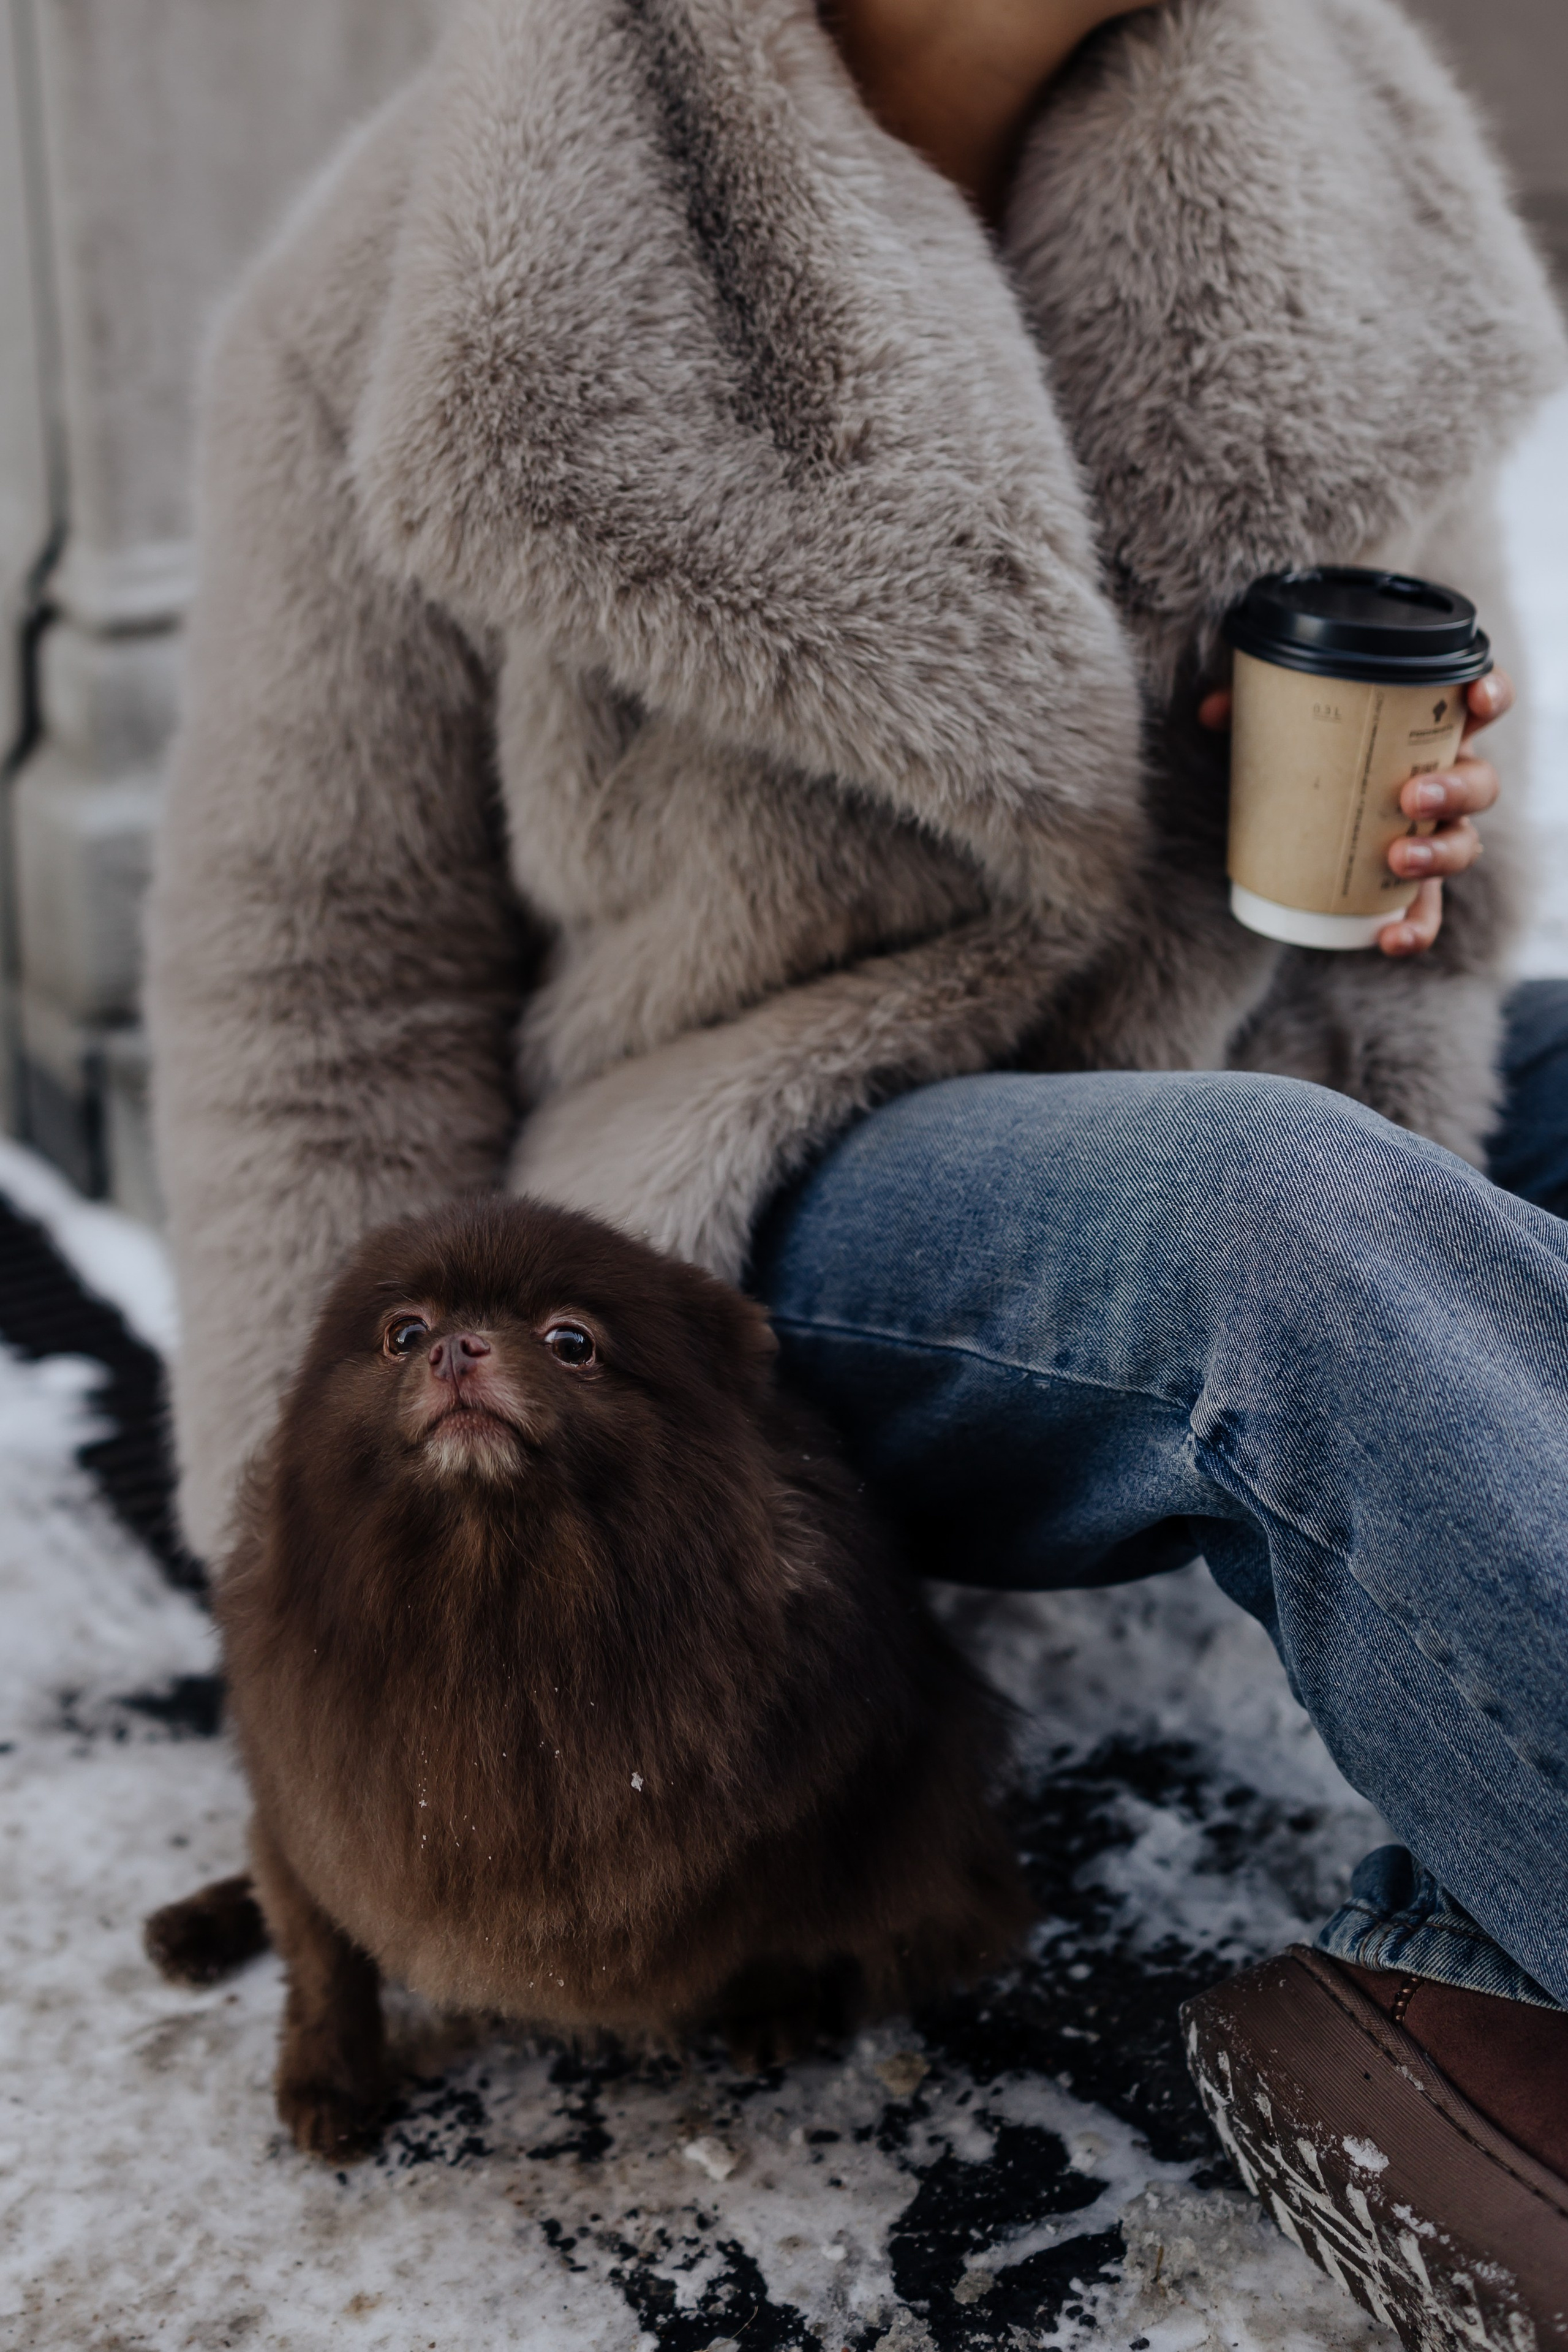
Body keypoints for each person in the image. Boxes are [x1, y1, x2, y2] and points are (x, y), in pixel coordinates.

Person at [145, 0, 1568, 2322]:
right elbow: (321, 990)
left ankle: (1453, 1987)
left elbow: (1412, 895)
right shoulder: (428, 273)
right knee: (1273, 1222)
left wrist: (1379, 867)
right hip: (762, 1214)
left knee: (1311, 1182)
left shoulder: (1355, 188)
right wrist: (316, 1622)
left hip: (1229, 1060)